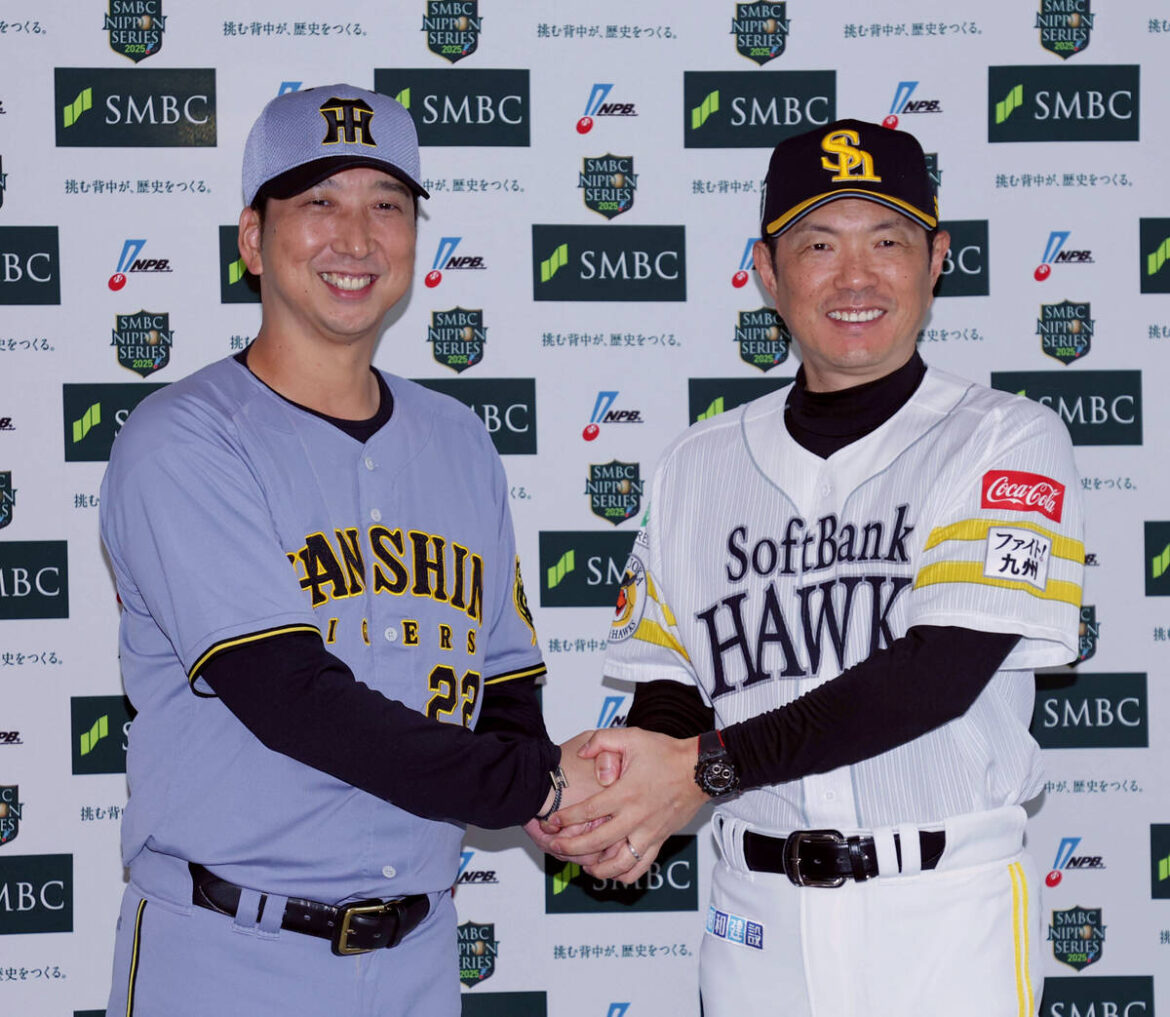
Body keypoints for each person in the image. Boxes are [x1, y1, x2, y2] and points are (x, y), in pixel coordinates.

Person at [548, 119, 1084, 1017]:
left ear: (936, 258)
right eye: (818, 245)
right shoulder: (697, 463)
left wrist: (702, 771)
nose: (857, 277)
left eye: (889, 240)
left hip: (944, 913)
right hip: (760, 919)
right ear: (766, 271)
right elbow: (673, 682)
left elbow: (935, 675)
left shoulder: (1006, 438)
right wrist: (626, 794)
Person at [99, 83, 602, 1017]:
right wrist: (539, 782)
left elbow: (506, 686)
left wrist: (560, 793)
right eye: (318, 201)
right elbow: (294, 698)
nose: (356, 238)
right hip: (225, 954)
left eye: (387, 204)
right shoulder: (183, 439)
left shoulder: (459, 441)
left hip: (416, 956)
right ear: (253, 237)